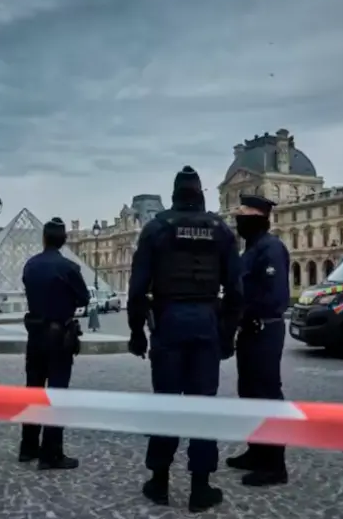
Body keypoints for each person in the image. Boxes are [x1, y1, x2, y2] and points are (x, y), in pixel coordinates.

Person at [127, 166, 243, 514]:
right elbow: (236, 292)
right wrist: (227, 335)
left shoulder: (156, 228)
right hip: (206, 319)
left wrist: (136, 333)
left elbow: (136, 291)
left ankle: (159, 482)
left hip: (168, 321)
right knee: (203, 406)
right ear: (201, 195)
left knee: (166, 403)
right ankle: (200, 487)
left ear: (175, 195)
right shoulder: (221, 230)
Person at [225, 195, 291, 487]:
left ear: (259, 218)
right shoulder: (251, 249)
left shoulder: (271, 248)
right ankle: (256, 451)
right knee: (249, 393)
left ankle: (275, 464)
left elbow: (274, 296)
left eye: (243, 214)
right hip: (251, 330)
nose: (238, 220)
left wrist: (247, 313)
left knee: (266, 395)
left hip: (265, 328)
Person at [20, 217, 90, 470]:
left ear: (43, 239)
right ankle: (51, 453)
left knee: (33, 390)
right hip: (60, 336)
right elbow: (83, 298)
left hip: (35, 334)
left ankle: (28, 447)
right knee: (56, 394)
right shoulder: (69, 267)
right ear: (64, 240)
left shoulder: (30, 265)